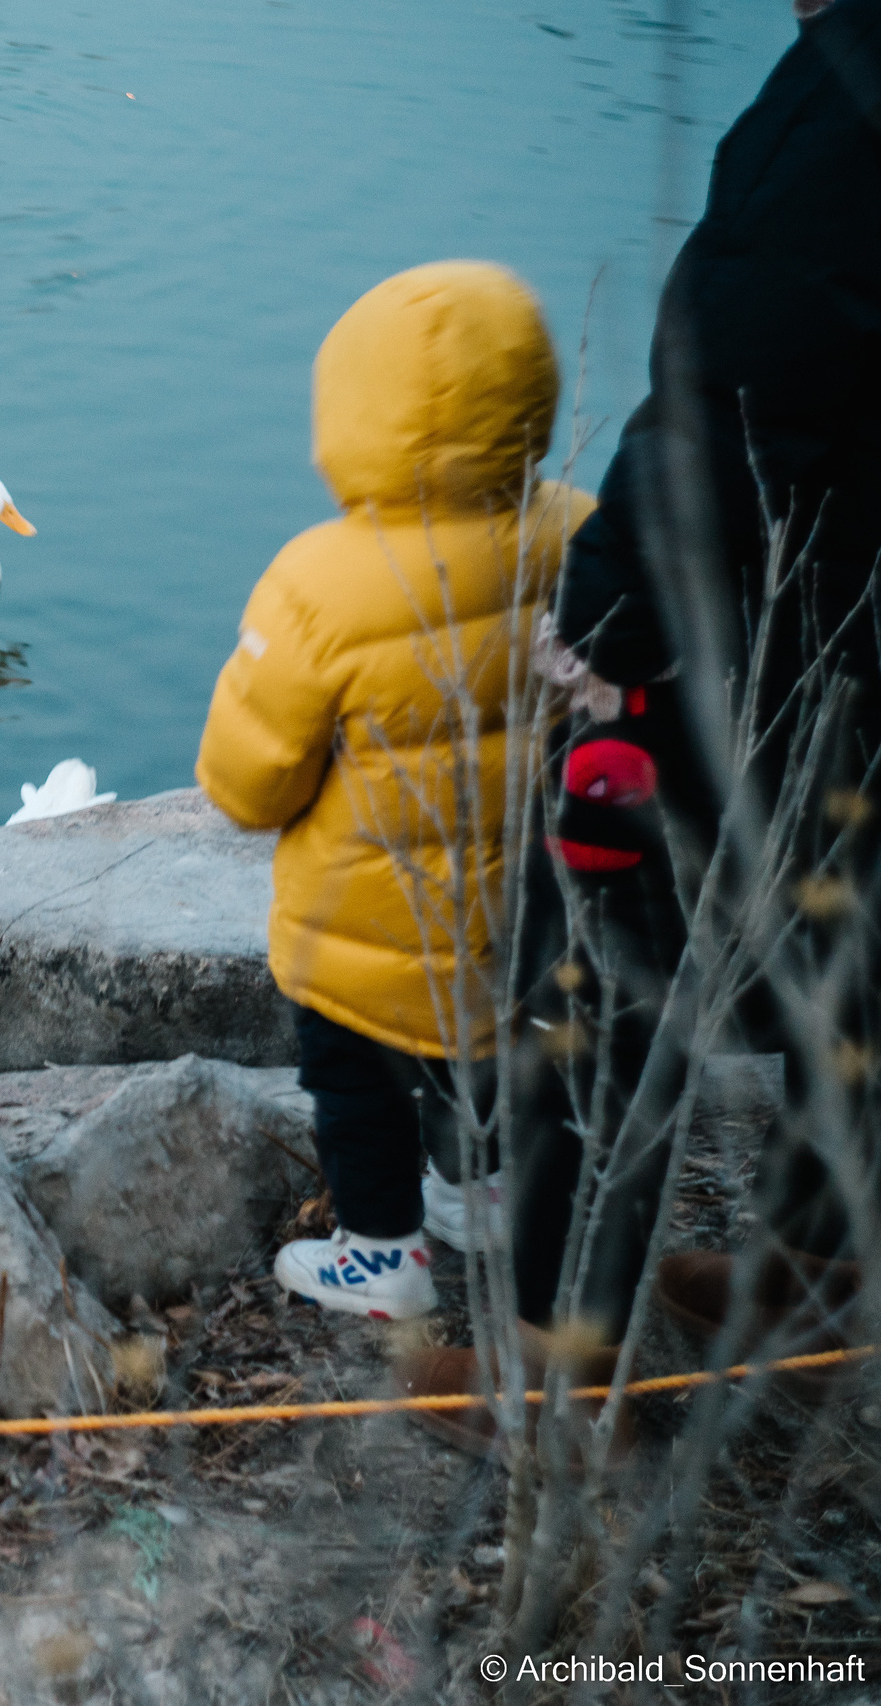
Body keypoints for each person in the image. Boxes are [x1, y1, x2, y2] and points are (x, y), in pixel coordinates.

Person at [396, 0, 881, 1445]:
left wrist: (604, 619)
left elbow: (734, 385)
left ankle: (555, 1360)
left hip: (769, 619)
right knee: (851, 916)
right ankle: (812, 1281)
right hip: (857, 608)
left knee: (603, 951)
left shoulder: (845, 98)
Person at [196, 261, 594, 1320]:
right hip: (525, 913)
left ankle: (381, 1256)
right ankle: (478, 1192)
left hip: (358, 931)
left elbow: (249, 780)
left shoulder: (315, 581)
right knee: (485, 1053)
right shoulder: (580, 530)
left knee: (356, 1087)